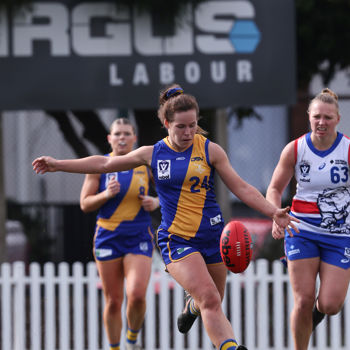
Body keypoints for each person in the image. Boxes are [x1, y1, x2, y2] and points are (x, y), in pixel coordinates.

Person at [33, 84, 298, 350]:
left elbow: (241, 187)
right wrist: (58, 165)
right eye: (181, 127)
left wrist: (273, 211)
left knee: (212, 299)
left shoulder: (210, 150)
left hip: (213, 237)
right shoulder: (152, 153)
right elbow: (104, 164)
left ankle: (191, 307)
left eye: (193, 125)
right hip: (177, 239)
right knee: (210, 298)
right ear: (166, 122)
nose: (188, 132)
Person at [266, 88, 350, 350]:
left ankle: (317, 311)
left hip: (339, 234)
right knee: (302, 300)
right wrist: (275, 215)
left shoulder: (347, 150)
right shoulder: (295, 149)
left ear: (337, 119)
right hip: (301, 230)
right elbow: (275, 189)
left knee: (330, 304)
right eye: (316, 117)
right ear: (308, 117)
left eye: (327, 117)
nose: (321, 122)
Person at [80, 118, 159, 350]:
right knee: (113, 302)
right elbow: (85, 203)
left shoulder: (144, 164)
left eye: (126, 133)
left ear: (135, 138)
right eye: (117, 134)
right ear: (109, 138)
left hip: (139, 236)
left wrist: (155, 202)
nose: (122, 138)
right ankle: (115, 347)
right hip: (108, 236)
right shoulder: (100, 165)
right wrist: (105, 195)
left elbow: (171, 193)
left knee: (136, 295)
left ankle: (132, 339)